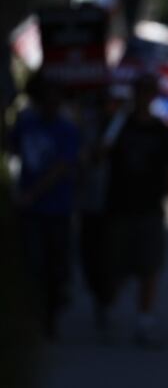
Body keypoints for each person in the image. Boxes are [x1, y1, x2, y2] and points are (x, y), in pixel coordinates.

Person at [104, 74, 168, 346]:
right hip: (120, 207)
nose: (144, 97)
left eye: (149, 92)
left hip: (150, 208)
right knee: (118, 266)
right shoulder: (119, 125)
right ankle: (110, 308)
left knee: (150, 267)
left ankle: (144, 321)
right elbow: (99, 155)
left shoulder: (161, 131)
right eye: (140, 91)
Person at [9, 74, 80, 338]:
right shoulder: (26, 124)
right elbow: (13, 149)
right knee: (33, 265)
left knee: (56, 266)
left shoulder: (67, 129)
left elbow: (62, 167)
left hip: (56, 208)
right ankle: (36, 318)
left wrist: (32, 194)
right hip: (31, 210)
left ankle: (52, 313)